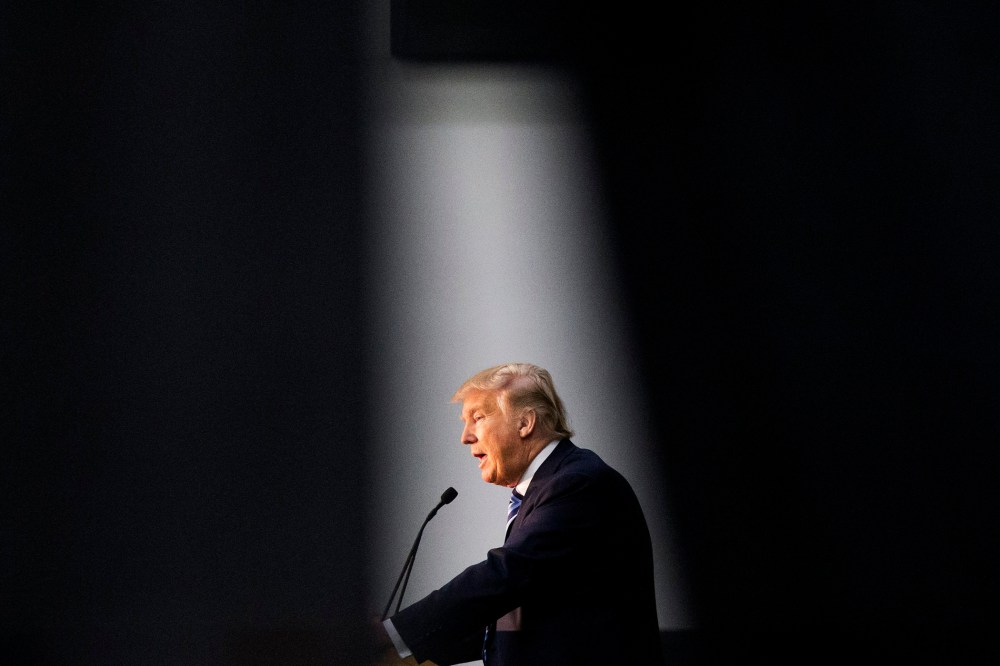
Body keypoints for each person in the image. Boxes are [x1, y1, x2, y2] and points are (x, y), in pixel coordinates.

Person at [373, 362, 664, 666]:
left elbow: (508, 574)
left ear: (525, 424)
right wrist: (408, 652)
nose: (465, 437)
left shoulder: (579, 484)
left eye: (478, 418)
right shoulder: (543, 489)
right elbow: (515, 618)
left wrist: (393, 634)